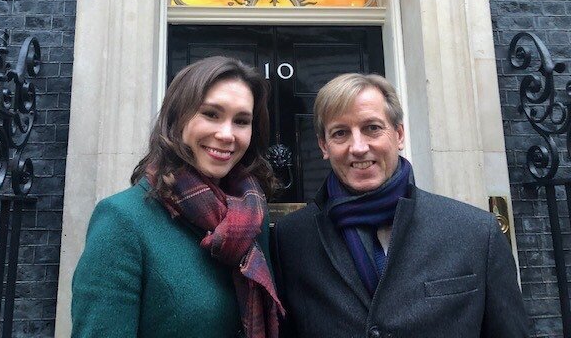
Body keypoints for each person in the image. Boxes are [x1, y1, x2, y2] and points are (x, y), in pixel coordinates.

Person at [271, 73, 528, 338]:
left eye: (372, 128)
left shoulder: (476, 232)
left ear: (399, 134)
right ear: (324, 145)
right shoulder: (291, 238)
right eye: (341, 133)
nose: (358, 147)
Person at [72, 56, 284, 338]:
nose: (226, 134)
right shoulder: (122, 220)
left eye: (242, 121)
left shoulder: (252, 215)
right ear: (177, 118)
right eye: (211, 114)